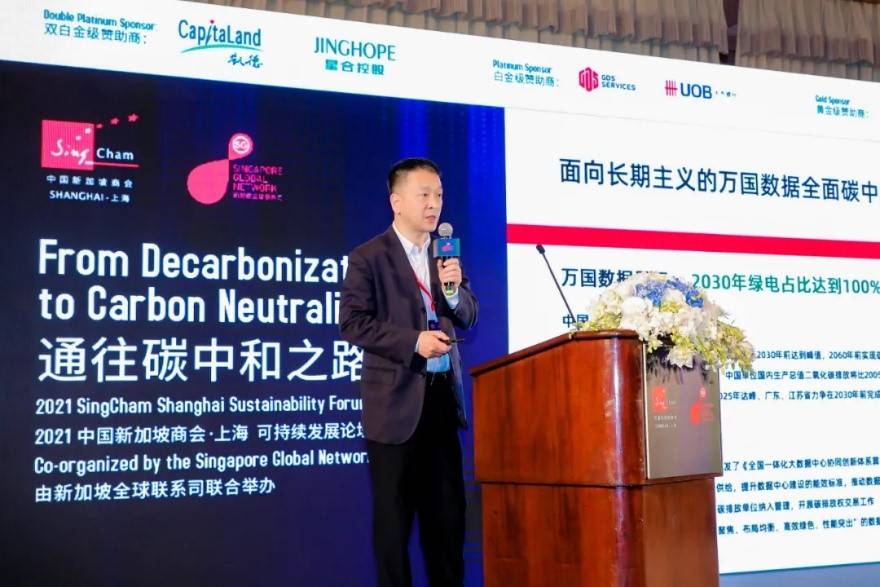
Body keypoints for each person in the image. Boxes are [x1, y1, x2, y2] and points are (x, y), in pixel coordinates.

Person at [340, 157, 478, 587]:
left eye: (439, 195)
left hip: (441, 403)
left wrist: (453, 294)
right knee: (393, 529)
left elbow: (469, 314)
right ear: (396, 202)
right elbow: (353, 323)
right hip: (394, 408)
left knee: (448, 525)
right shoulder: (369, 257)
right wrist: (413, 341)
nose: (434, 204)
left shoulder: (445, 255)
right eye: (424, 195)